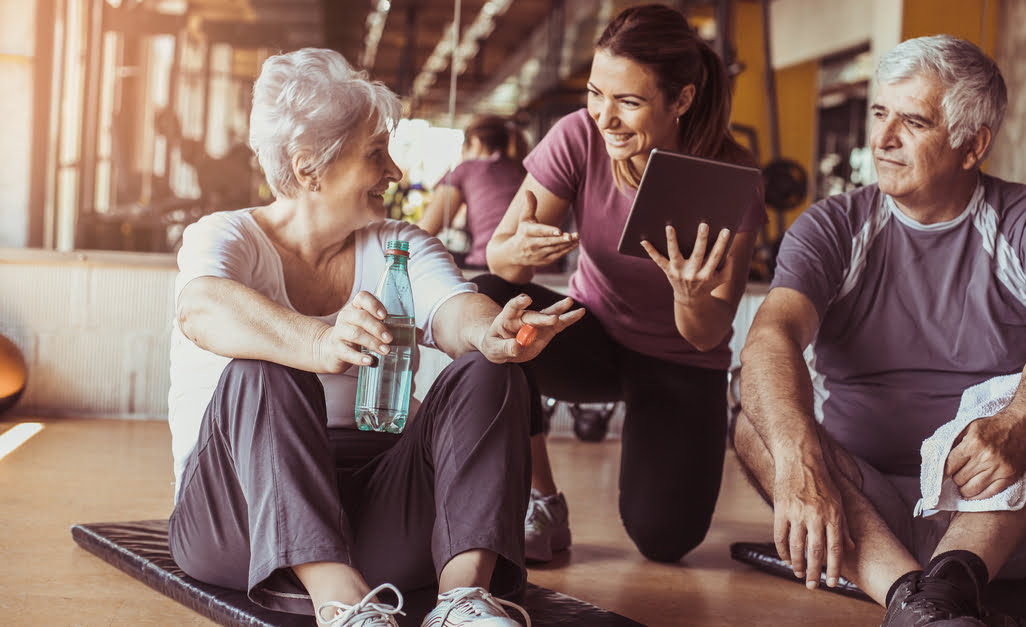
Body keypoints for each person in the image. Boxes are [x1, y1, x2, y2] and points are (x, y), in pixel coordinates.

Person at [166, 48, 583, 627]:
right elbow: (202, 308)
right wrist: (316, 341)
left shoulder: (399, 243)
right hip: (237, 518)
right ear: (309, 165)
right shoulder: (225, 235)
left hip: (378, 509)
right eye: (375, 154)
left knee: (491, 367)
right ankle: (339, 603)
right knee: (261, 365)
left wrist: (491, 330)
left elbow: (453, 309)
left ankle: (462, 602)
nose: (395, 172)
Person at [732, 34, 1026, 626]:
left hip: (997, 513)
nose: (882, 139)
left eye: (913, 122)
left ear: (971, 144)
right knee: (757, 423)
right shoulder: (833, 225)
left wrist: (1021, 418)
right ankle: (916, 602)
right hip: (857, 509)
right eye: (880, 114)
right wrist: (799, 458)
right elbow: (771, 336)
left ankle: (952, 581)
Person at [477, 3, 767, 564]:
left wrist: (688, 294)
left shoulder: (730, 176)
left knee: (666, 540)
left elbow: (707, 335)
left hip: (681, 361)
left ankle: (656, 439)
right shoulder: (578, 137)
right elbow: (501, 267)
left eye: (629, 102)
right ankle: (543, 500)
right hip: (592, 338)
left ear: (680, 100)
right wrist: (519, 251)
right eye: (595, 93)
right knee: (488, 298)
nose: (604, 117)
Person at [418, 115, 531, 270]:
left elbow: (424, 232)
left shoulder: (467, 168)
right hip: (541, 268)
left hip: (492, 266)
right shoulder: (523, 171)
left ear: (476, 143)